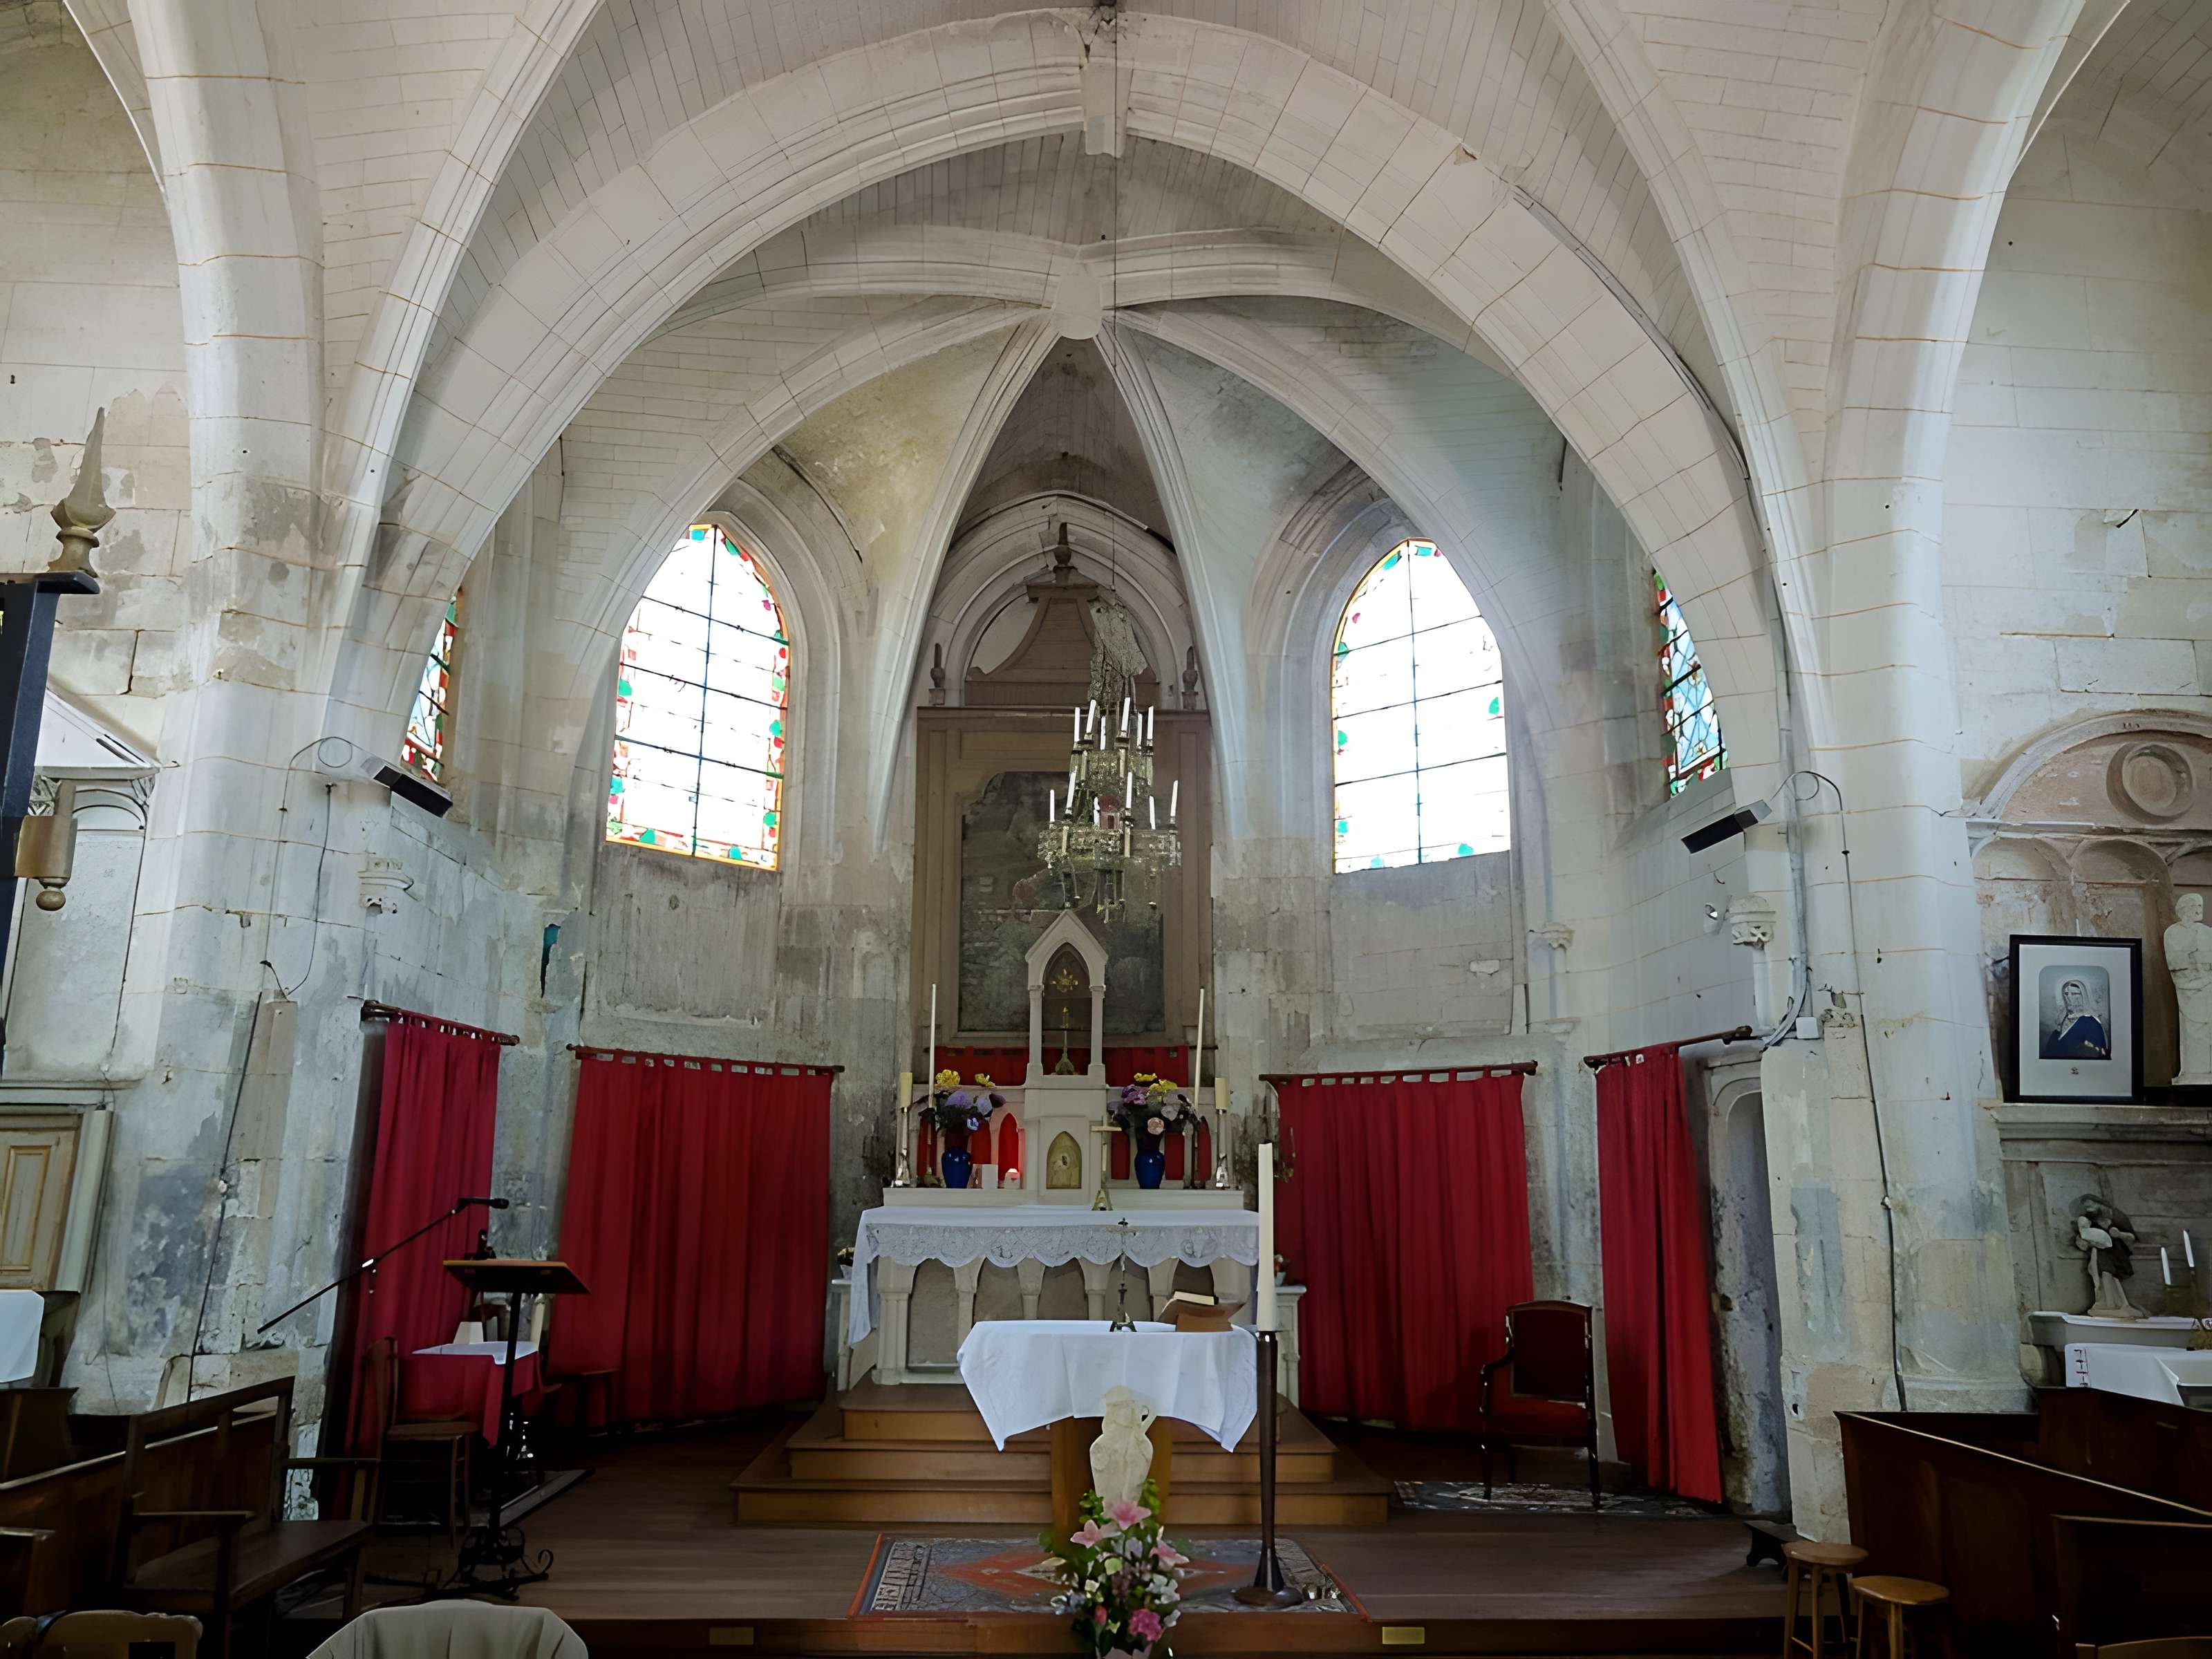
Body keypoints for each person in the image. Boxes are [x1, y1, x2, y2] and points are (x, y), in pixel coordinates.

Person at [2043, 976, 2110, 1060]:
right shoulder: (2062, 1021)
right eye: (2066, 994)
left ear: (2083, 996)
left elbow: (2097, 1053)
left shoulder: (2091, 1022)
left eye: (2074, 994)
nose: (2069, 997)